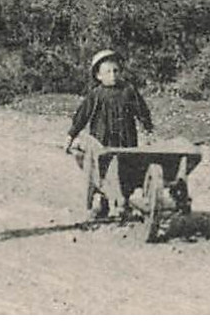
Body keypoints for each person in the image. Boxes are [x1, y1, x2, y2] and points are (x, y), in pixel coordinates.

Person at [65, 48, 154, 219]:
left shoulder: (128, 91)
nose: (113, 75)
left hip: (125, 139)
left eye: (116, 71)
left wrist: (147, 128)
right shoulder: (96, 95)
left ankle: (124, 202)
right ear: (98, 76)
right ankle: (104, 203)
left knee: (125, 169)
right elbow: (81, 117)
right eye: (107, 72)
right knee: (103, 171)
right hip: (102, 140)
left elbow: (141, 110)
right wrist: (71, 136)